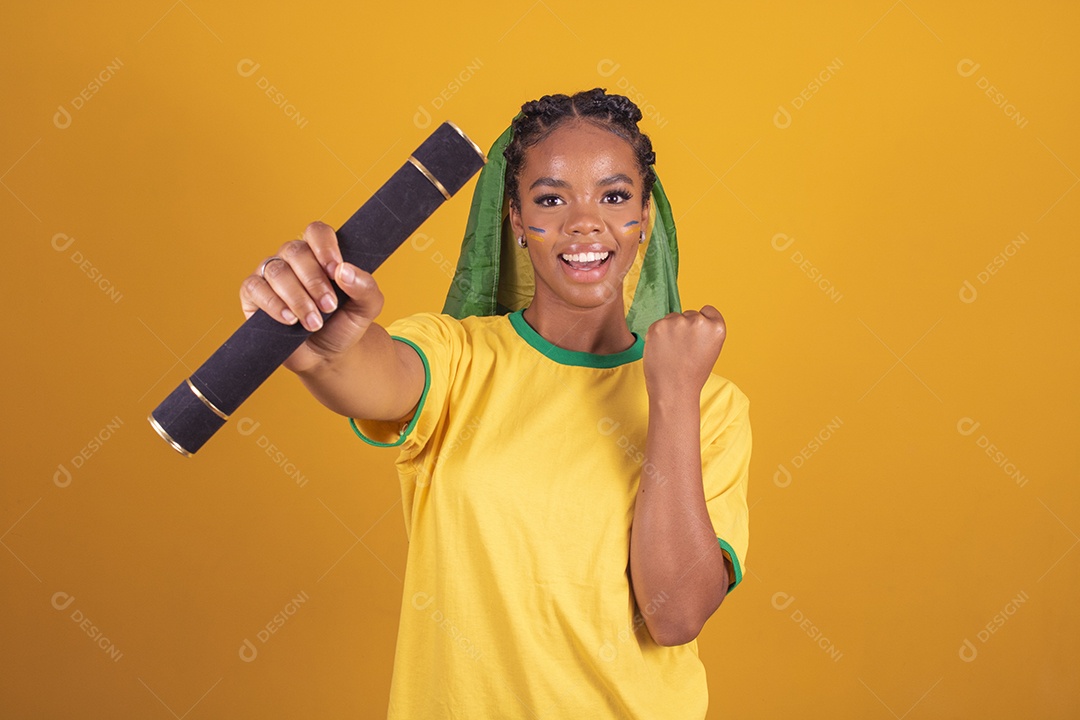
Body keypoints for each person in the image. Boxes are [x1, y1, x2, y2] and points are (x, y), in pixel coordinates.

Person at [239, 88, 751, 718]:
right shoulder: (456, 357)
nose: (584, 222)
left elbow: (674, 614)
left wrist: (672, 395)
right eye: (551, 198)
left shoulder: (712, 405)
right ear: (513, 218)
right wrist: (328, 344)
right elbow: (364, 373)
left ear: (645, 216)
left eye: (614, 196)